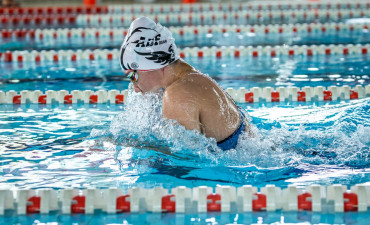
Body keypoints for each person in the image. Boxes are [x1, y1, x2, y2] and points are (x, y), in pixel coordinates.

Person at [119, 16, 252, 151]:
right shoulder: (196, 80)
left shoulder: (177, 94)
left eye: (133, 76)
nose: (135, 87)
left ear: (152, 64)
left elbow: (181, 163)